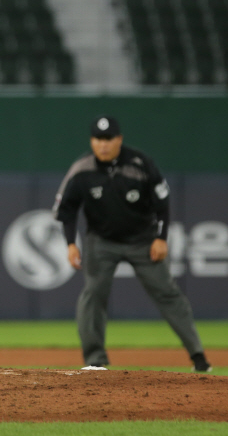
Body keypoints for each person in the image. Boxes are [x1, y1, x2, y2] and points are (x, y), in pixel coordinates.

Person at [53, 116, 211, 372]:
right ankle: (95, 361)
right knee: (93, 294)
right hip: (101, 242)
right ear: (92, 141)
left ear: (119, 139)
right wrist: (71, 243)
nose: (103, 145)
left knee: (168, 294)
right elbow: (66, 210)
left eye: (108, 139)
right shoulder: (81, 169)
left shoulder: (140, 163)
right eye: (97, 139)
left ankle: (199, 357)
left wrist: (161, 238)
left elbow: (162, 202)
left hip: (143, 240)